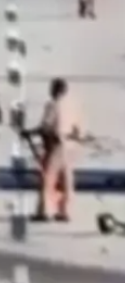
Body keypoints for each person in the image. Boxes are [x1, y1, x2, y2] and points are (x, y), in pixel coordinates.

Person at [32, 78, 77, 222]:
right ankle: (63, 211)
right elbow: (76, 129)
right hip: (68, 146)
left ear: (54, 90)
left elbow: (46, 126)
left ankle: (44, 211)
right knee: (65, 180)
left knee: (47, 178)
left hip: (54, 145)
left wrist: (31, 132)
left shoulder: (52, 105)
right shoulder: (70, 106)